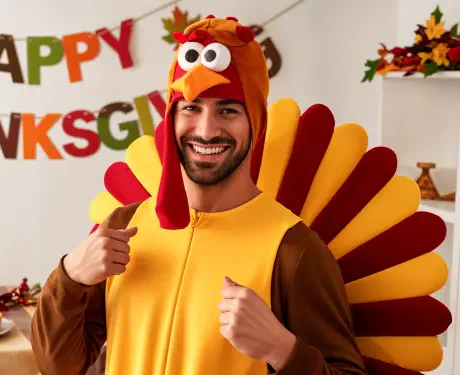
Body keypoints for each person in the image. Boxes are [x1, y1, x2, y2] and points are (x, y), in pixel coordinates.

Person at [30, 15, 367, 375]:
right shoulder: (123, 226)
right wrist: (69, 277)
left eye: (228, 110)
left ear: (256, 122)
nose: (206, 131)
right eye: (191, 108)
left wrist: (283, 351)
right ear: (171, 118)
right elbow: (58, 367)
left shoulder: (294, 250)